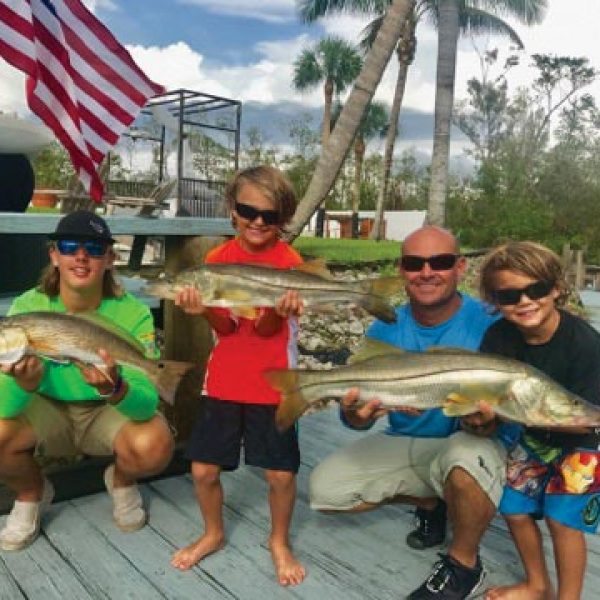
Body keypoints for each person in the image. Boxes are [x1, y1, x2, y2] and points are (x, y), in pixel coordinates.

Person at [309, 225, 509, 600]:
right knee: (325, 491)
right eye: (415, 263)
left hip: (472, 444)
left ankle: (464, 565)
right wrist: (358, 415)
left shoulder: (492, 323)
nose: (427, 272)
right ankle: (434, 503)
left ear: (461, 267)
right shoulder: (387, 324)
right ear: (402, 269)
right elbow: (351, 416)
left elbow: (512, 402)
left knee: (465, 459)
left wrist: (488, 422)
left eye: (441, 261)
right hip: (407, 440)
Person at [0, 210, 174, 551]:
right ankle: (31, 493)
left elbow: (146, 405)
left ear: (109, 259)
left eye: (94, 248)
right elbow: (4, 408)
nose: (81, 256)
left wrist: (115, 388)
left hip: (104, 412)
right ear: (54, 255)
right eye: (69, 246)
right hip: (47, 408)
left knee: (155, 443)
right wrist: (25, 384)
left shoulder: (134, 313)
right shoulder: (27, 305)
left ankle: (121, 480)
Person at [169, 165, 306, 586]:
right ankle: (213, 532)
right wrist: (203, 306)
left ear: (283, 218)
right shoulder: (216, 261)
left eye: (271, 214)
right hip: (225, 380)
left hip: (274, 382)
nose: (259, 222)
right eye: (249, 210)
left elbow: (267, 330)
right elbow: (227, 330)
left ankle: (279, 541)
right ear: (232, 209)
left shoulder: (290, 264)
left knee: (280, 474)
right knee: (203, 471)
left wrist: (275, 309)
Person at [478, 241, 600, 600]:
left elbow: (591, 419)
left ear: (557, 288)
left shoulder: (585, 344)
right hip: (533, 437)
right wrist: (481, 417)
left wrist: (520, 414)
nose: (525, 302)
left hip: (583, 445)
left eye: (537, 289)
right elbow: (488, 403)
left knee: (563, 521)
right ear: (495, 301)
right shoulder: (498, 337)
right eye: (509, 296)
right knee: (514, 510)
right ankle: (536, 583)